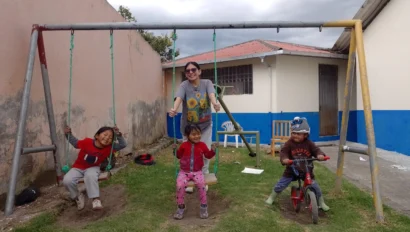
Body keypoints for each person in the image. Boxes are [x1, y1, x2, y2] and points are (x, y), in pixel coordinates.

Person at [169, 61, 221, 193]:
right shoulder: (184, 85)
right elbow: (179, 98)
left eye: (193, 70)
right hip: (188, 128)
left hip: (204, 126)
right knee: (187, 153)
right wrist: (174, 109)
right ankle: (188, 180)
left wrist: (215, 103)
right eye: (187, 71)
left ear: (199, 71)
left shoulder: (207, 83)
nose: (190, 72)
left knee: (204, 152)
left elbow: (211, 94)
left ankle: (202, 177)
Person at [265, 117, 330, 212]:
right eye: (293, 133)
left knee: (316, 187)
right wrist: (285, 159)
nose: (295, 135)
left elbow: (316, 150)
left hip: (306, 170)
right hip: (292, 170)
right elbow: (284, 152)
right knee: (281, 184)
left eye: (298, 134)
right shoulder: (289, 143)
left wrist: (320, 155)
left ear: (306, 134)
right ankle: (271, 197)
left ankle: (321, 202)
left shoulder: (309, 143)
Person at [63, 125, 127, 211]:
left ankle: (95, 199)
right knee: (67, 180)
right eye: (105, 135)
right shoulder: (87, 142)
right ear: (97, 135)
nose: (107, 138)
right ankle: (77, 196)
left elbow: (123, 144)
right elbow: (75, 143)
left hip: (93, 167)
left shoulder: (110, 147)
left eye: (111, 137)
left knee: (90, 175)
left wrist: (118, 134)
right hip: (78, 167)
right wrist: (68, 134)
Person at [173, 124, 217, 220]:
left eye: (198, 134)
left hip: (197, 172)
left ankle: (203, 207)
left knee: (202, 186)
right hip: (184, 172)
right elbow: (179, 156)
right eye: (193, 134)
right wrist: (175, 150)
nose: (197, 136)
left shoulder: (202, 145)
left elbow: (208, 156)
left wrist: (213, 150)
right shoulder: (184, 145)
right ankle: (181, 207)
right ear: (187, 135)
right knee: (180, 186)